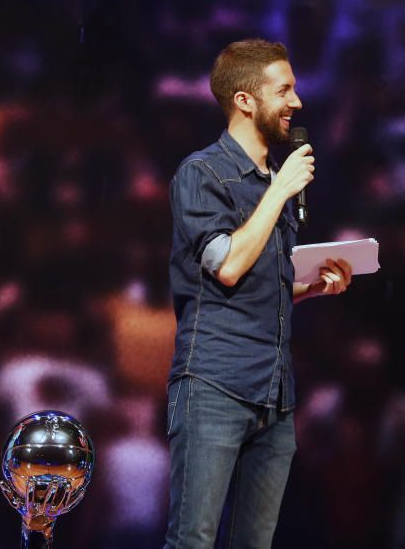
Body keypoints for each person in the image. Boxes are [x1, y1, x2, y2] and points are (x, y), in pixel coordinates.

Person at [164, 39, 353, 548]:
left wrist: (311, 287)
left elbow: (254, 283)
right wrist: (279, 192)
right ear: (245, 100)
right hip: (213, 385)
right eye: (284, 89)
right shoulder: (201, 173)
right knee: (193, 540)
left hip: (275, 395)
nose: (297, 102)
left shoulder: (275, 181)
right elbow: (226, 265)